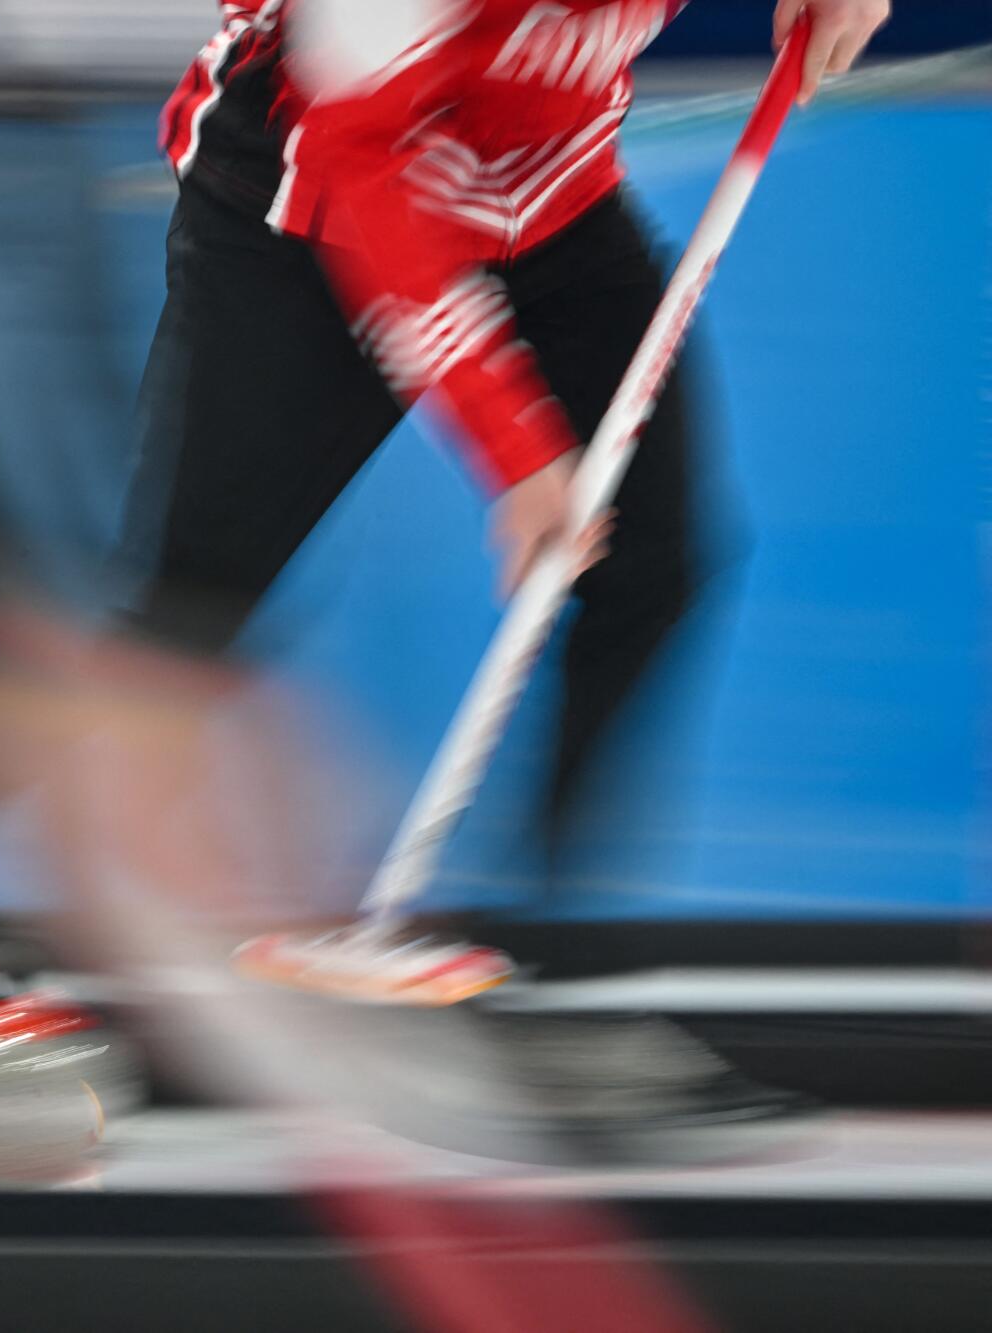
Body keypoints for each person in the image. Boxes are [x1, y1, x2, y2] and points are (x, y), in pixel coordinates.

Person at [124, 0, 889, 935]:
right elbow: (362, 171)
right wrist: (518, 448)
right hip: (307, 200)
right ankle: (72, 910)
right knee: (189, 601)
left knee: (653, 558)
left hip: (548, 191)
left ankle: (551, 958)